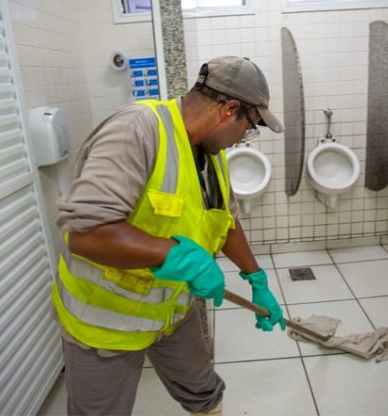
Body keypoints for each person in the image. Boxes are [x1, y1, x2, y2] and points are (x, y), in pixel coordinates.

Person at [53, 56, 286, 415]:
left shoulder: (210, 149)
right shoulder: (138, 129)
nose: (245, 139)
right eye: (250, 127)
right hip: (105, 321)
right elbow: (86, 233)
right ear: (229, 110)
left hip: (170, 312)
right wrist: (175, 256)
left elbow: (225, 221)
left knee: (204, 393)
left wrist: (255, 276)